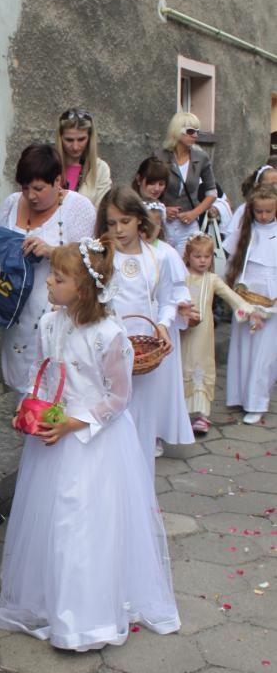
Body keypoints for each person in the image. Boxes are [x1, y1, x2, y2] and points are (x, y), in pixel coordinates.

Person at [0, 236, 180, 650]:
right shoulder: (49, 323)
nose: (48, 283)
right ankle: (53, 601)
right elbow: (41, 373)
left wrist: (74, 423)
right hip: (53, 437)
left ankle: (86, 618)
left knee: (84, 523)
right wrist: (30, 409)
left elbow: (118, 396)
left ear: (82, 289)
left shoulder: (110, 335)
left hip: (93, 442)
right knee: (55, 521)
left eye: (58, 278)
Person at [95, 186, 193, 472]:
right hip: (109, 350)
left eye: (125, 221)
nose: (119, 230)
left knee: (142, 418)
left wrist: (162, 325)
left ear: (139, 218)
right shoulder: (101, 257)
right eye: (112, 223)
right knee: (114, 417)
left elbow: (167, 298)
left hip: (145, 350)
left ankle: (141, 479)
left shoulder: (158, 257)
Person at [0, 141, 95, 395]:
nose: (31, 195)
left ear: (58, 181)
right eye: (25, 187)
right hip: (18, 311)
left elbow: (91, 262)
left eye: (39, 188)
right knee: (25, 393)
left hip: (59, 313)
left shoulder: (78, 207)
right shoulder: (11, 204)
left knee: (59, 389)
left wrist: (53, 252)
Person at [180, 233, 265, 434]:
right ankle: (180, 412)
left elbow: (231, 296)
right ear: (188, 256)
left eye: (207, 256)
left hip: (203, 334)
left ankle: (202, 415)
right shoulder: (180, 277)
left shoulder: (212, 279)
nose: (203, 261)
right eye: (197, 256)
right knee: (181, 366)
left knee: (202, 366)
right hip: (182, 331)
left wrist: (250, 312)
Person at [224, 184, 277, 424]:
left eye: (269, 211)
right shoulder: (245, 231)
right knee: (243, 348)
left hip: (272, 301)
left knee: (264, 355)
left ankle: (257, 402)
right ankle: (239, 395)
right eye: (259, 211)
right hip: (246, 298)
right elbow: (232, 262)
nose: (263, 216)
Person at [157, 112, 218, 254]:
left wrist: (194, 213)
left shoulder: (201, 157)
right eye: (190, 131)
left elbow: (212, 192)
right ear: (177, 131)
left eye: (197, 131)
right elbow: (147, 189)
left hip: (188, 225)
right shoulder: (160, 156)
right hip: (162, 223)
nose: (195, 135)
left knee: (188, 263)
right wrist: (162, 209)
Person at [55, 106, 111, 206]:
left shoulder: (100, 169)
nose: (75, 147)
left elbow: (102, 210)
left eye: (81, 139)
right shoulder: (47, 165)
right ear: (60, 138)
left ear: (90, 138)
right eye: (69, 140)